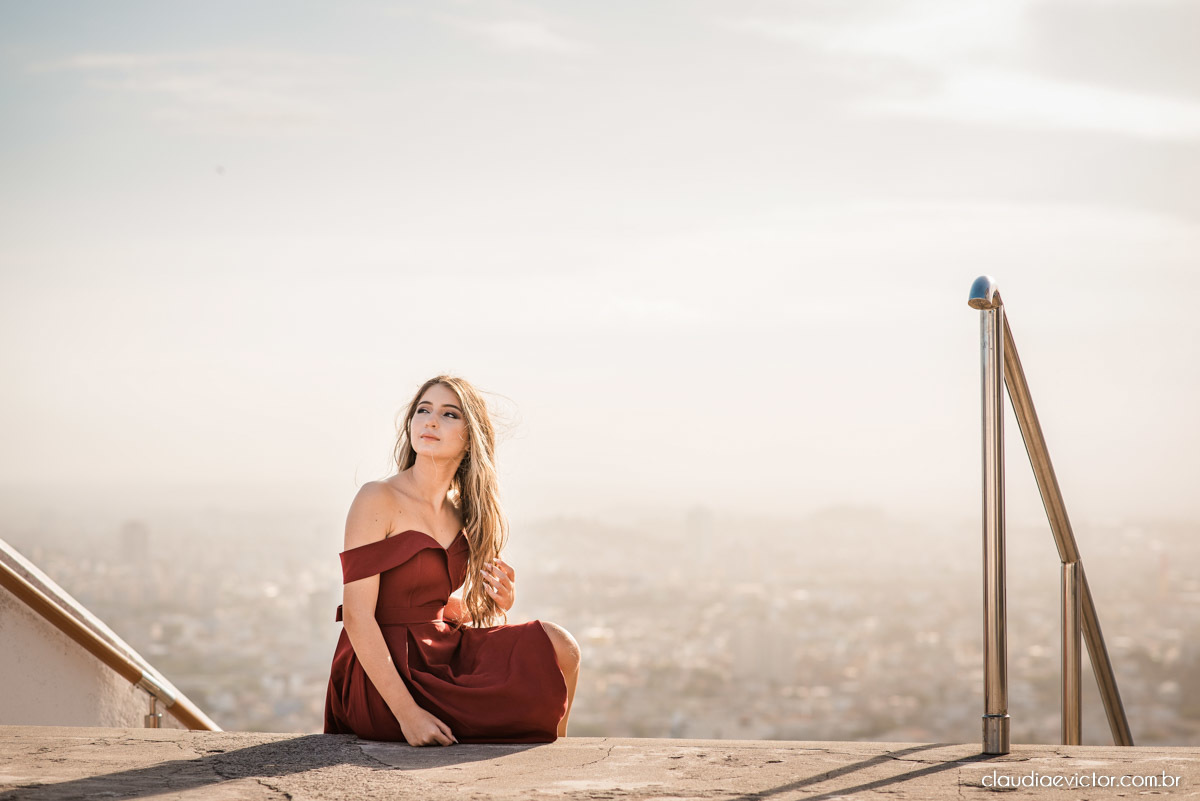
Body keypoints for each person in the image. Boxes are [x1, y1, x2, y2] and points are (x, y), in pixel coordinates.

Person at [324, 375, 581, 745]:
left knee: (560, 647)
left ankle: (559, 754)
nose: (430, 421)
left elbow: (429, 604)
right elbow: (358, 616)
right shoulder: (377, 498)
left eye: (449, 414)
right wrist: (408, 716)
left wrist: (495, 603)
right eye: (423, 410)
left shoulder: (462, 513)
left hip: (441, 655)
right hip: (385, 676)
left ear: (470, 435)